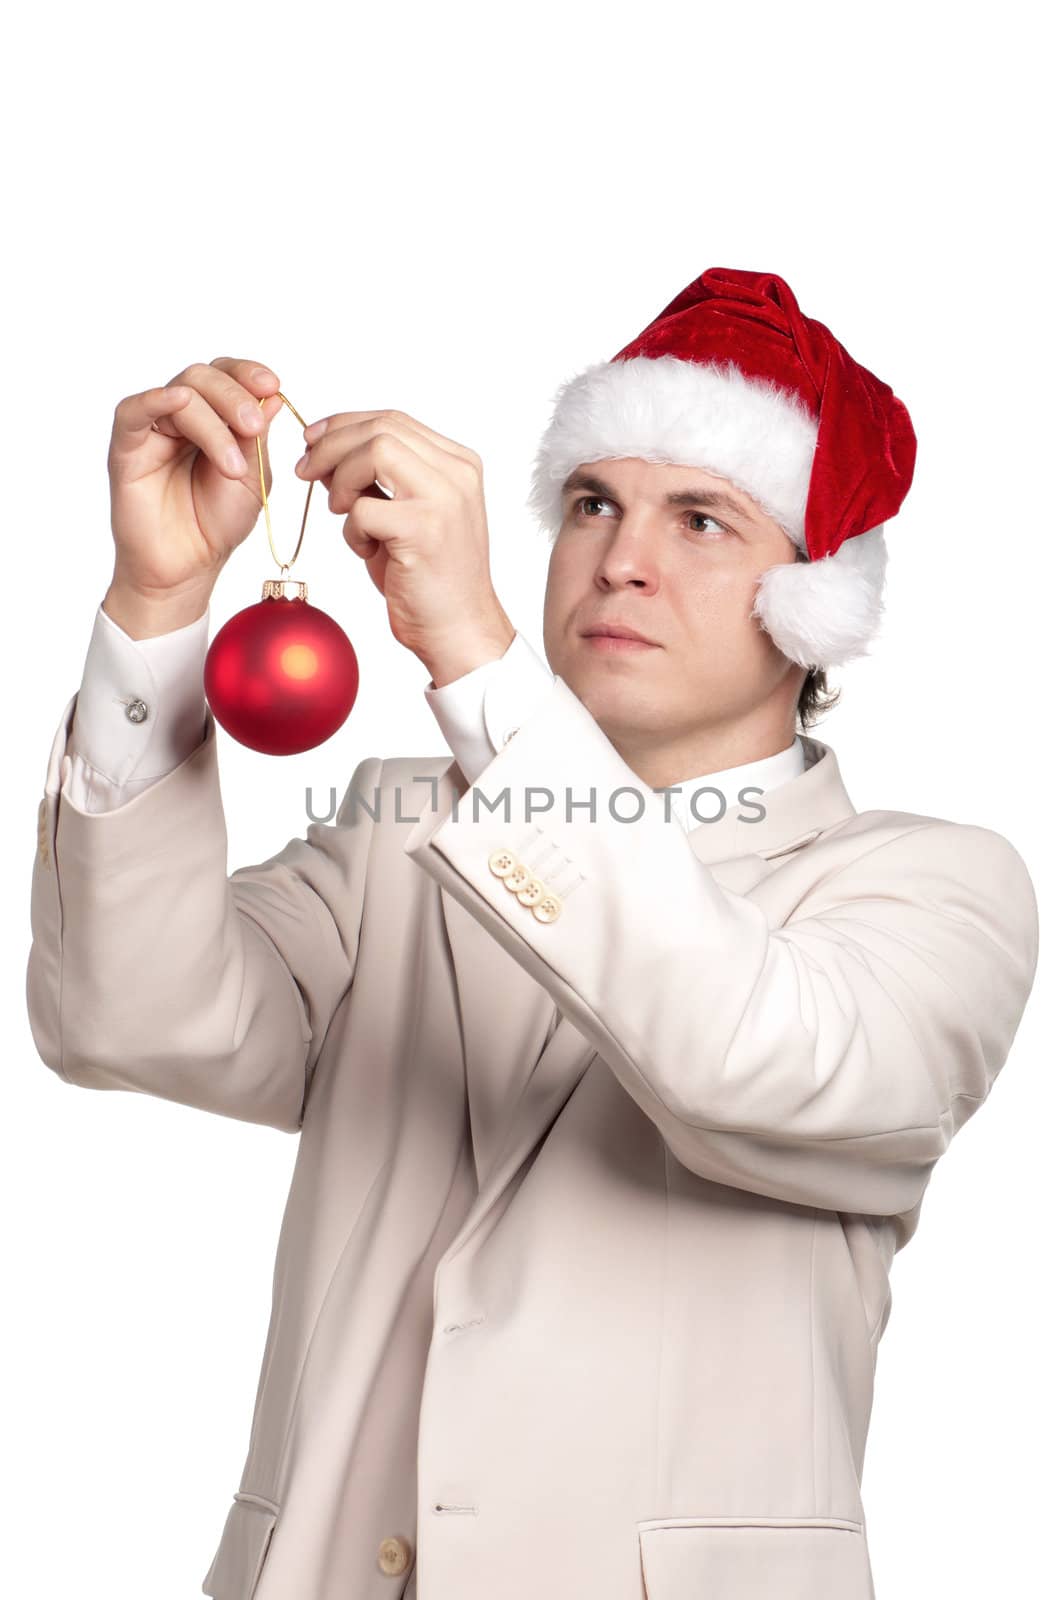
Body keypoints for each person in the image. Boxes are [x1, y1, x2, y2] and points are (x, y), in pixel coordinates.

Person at [26, 267, 1039, 1600]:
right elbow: (123, 1016)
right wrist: (156, 607)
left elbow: (749, 1055)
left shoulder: (935, 888)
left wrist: (479, 661)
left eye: (704, 519)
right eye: (594, 503)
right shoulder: (394, 832)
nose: (623, 556)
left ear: (810, 608)